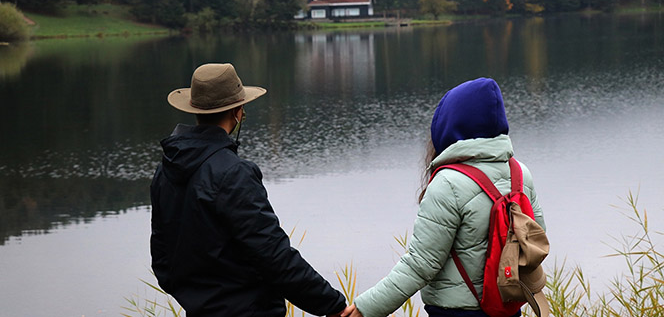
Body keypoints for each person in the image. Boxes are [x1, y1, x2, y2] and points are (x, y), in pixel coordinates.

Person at [150, 63, 346, 317]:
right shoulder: (233, 173)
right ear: (238, 111)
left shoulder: (166, 169)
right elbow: (274, 256)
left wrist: (196, 296)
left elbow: (162, 260)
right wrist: (334, 306)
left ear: (194, 110)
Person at [342, 78, 546, 317]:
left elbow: (421, 264)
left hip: (457, 312)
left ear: (450, 125)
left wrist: (366, 308)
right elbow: (535, 237)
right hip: (508, 309)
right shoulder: (520, 173)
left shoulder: (448, 183)